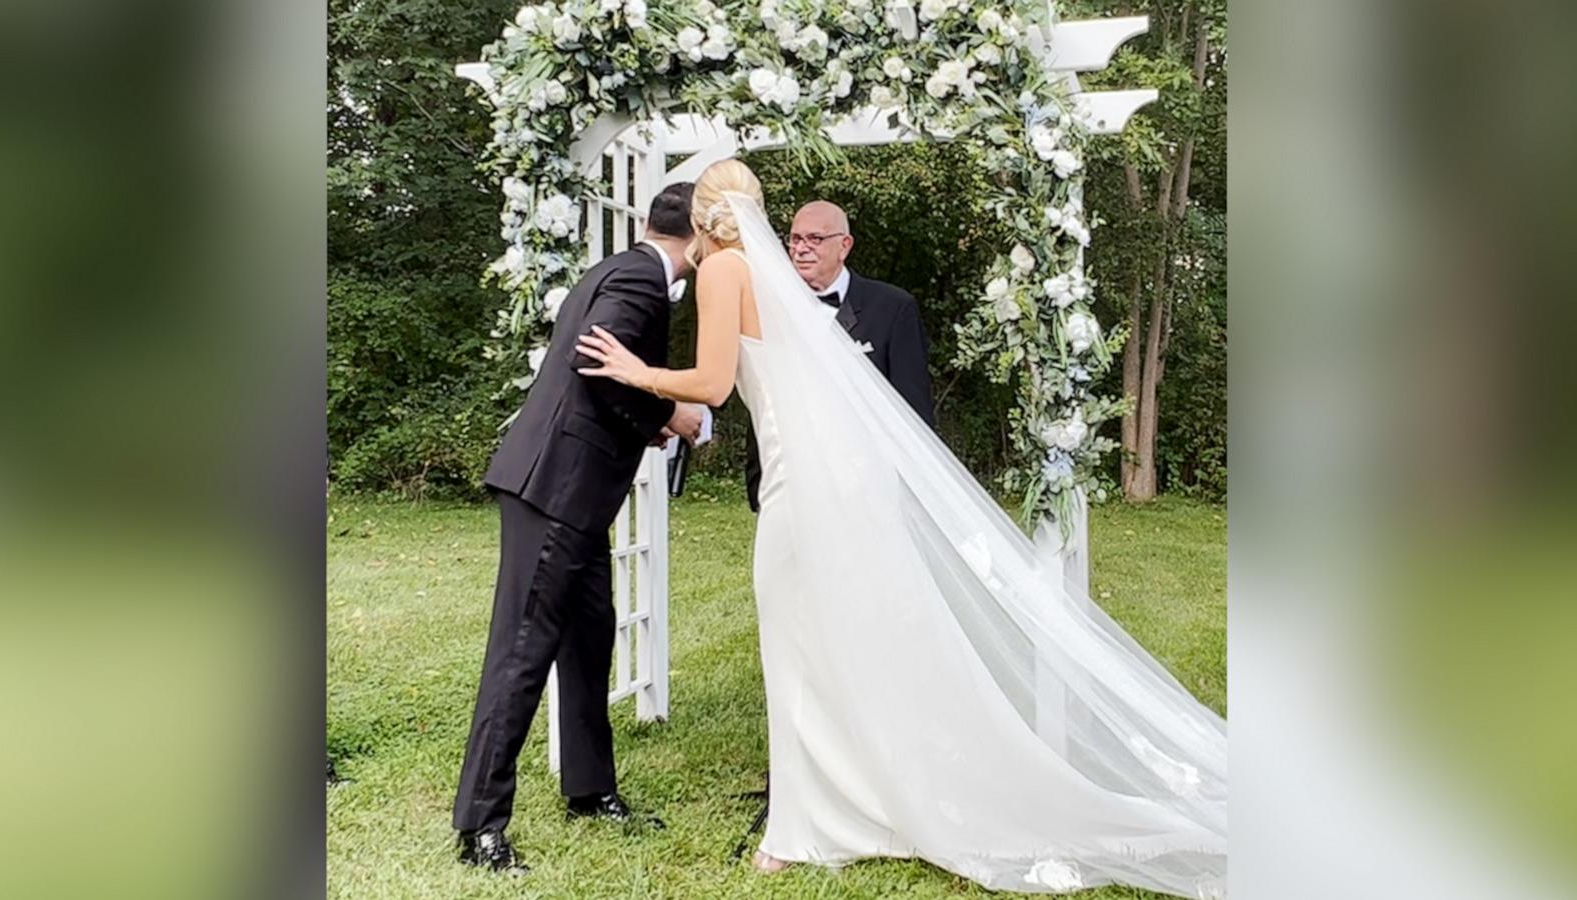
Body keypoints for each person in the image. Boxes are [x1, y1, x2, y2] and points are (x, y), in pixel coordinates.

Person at [573, 159, 1227, 898]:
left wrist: (637, 370)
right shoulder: (770, 277)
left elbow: (715, 384)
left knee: (795, 647)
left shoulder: (727, 272)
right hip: (831, 476)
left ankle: (802, 827)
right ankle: (853, 803)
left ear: (702, 217)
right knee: (832, 643)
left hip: (801, 483)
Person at [452, 183, 704, 875]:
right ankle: (480, 827)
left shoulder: (616, 267)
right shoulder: (639, 280)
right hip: (556, 488)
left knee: (591, 635)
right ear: (700, 234)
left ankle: (590, 790)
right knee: (522, 650)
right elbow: (600, 366)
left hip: (577, 494)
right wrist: (665, 416)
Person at [743, 200, 935, 512]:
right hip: (790, 485)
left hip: (873, 490)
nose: (801, 249)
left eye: (815, 239)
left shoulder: (892, 308)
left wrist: (910, 491)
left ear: (844, 246)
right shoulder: (768, 308)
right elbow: (763, 397)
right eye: (795, 239)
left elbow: (913, 408)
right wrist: (758, 482)